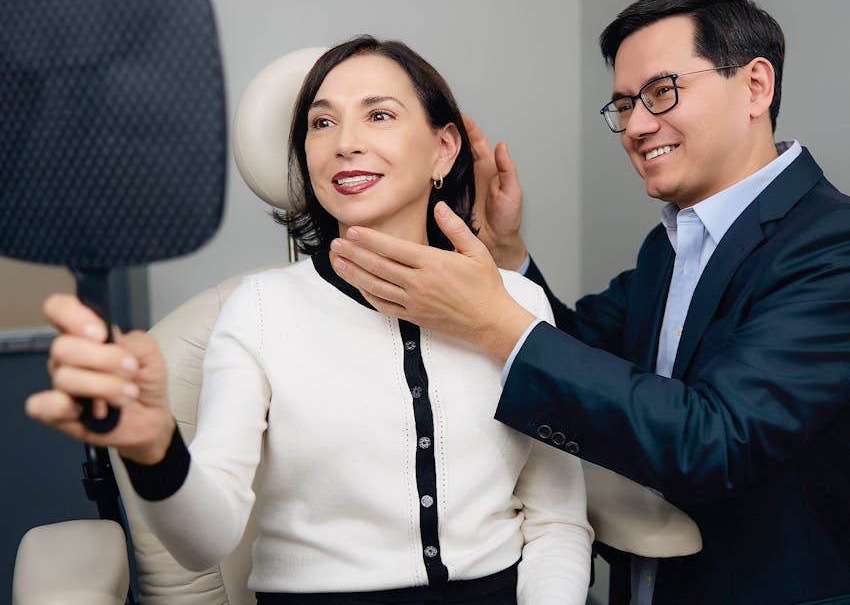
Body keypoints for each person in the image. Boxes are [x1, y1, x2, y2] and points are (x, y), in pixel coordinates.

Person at [327, 0, 850, 605]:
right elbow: (584, 356)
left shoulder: (831, 245)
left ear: (755, 86)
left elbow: (715, 440)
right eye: (625, 104)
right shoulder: (672, 243)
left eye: (661, 92)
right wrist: (507, 255)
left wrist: (494, 323)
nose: (635, 126)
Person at [26, 36, 592, 605]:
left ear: (443, 150)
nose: (346, 143)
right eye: (321, 124)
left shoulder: (517, 303)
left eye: (379, 115)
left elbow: (558, 522)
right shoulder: (261, 311)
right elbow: (205, 542)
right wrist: (156, 448)